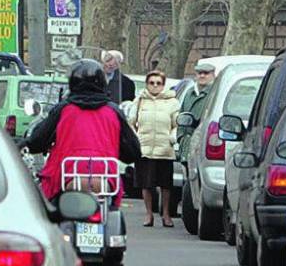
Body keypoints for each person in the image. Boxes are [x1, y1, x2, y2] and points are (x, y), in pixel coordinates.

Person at [21, 59, 141, 203]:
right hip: (104, 182)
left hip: (65, 179)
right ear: (102, 82)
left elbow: (37, 142)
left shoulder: (64, 109)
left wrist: (29, 142)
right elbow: (133, 152)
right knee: (111, 214)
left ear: (72, 82)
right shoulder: (113, 111)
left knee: (43, 211)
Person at [132, 69, 180, 227]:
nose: (155, 86)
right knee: (146, 183)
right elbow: (130, 122)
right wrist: (136, 139)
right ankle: (149, 214)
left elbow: (176, 124)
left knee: (165, 185)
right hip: (145, 148)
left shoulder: (172, 102)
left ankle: (166, 214)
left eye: (158, 83)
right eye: (151, 83)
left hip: (164, 149)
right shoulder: (139, 100)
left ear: (163, 85)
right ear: (147, 84)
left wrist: (172, 137)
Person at [176, 59, 216, 155]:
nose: (202, 76)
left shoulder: (215, 93)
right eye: (199, 73)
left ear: (213, 75)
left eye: (206, 73)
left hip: (204, 145)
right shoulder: (189, 93)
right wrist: (180, 137)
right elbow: (181, 116)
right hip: (186, 145)